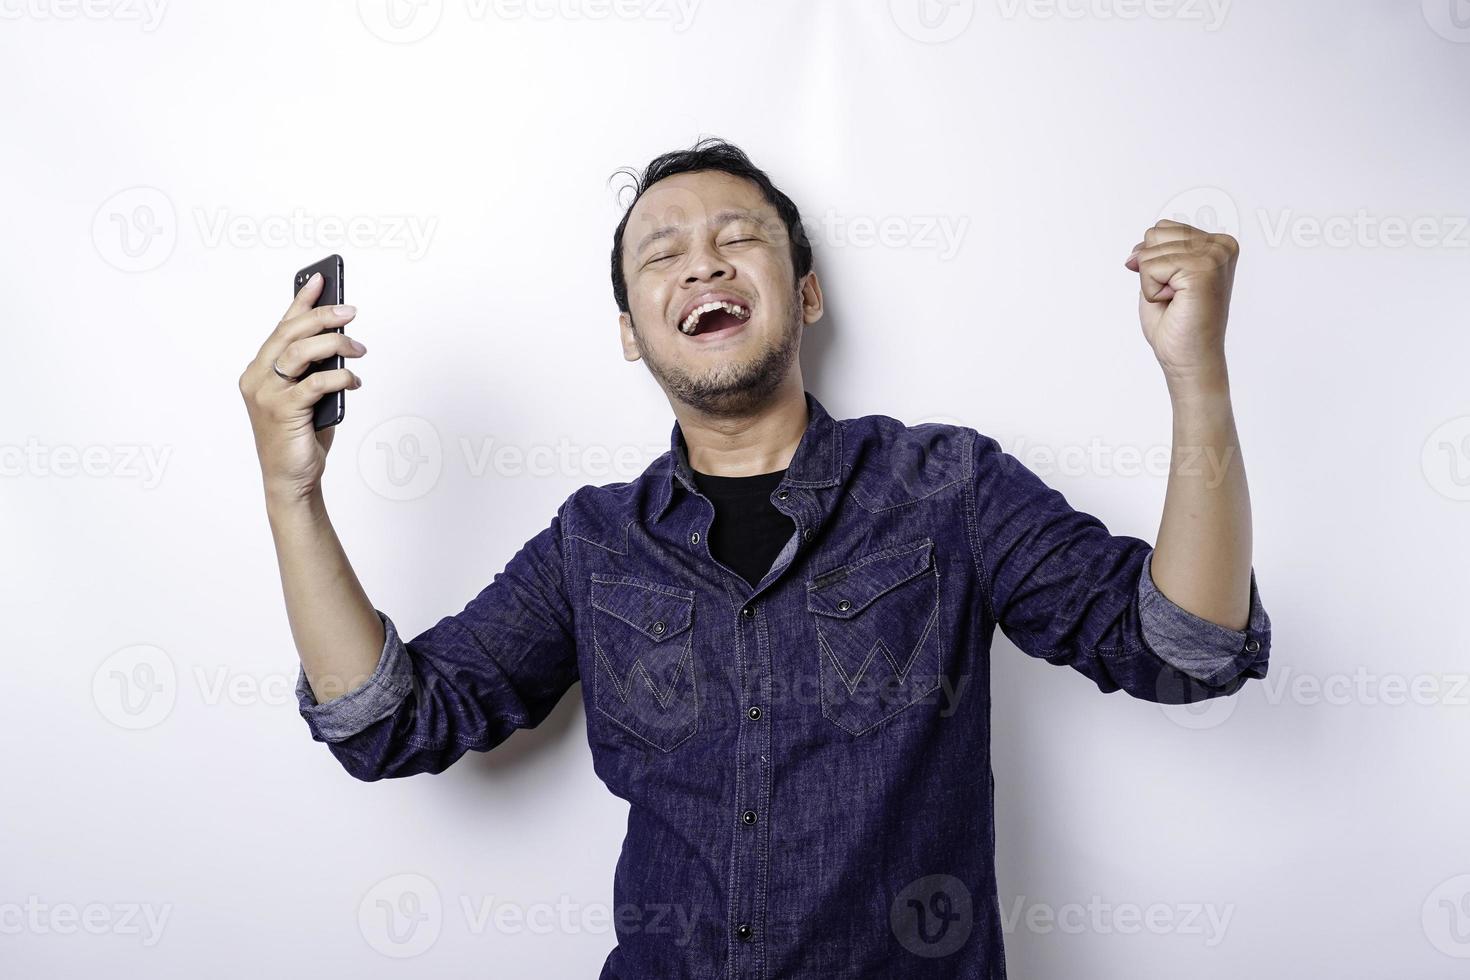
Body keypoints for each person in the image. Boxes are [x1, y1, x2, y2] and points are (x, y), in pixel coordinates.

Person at [238, 137, 1272, 979]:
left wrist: (1198, 376)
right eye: (662, 253)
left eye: (740, 237)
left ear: (807, 294)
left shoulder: (946, 484)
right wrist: (293, 491)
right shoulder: (592, 544)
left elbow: (1186, 645)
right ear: (633, 334)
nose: (703, 261)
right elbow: (390, 721)